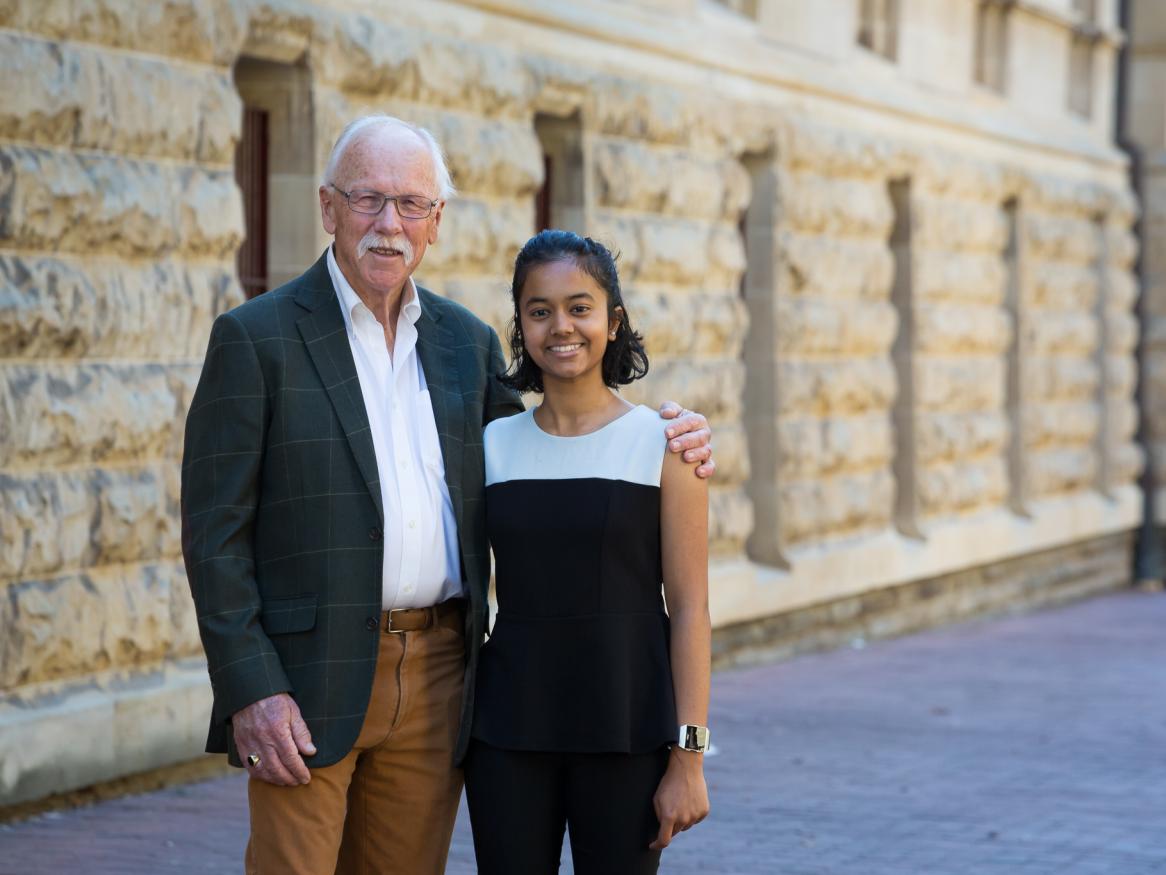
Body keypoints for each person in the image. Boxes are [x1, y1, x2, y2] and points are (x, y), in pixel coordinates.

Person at [180, 115, 716, 875]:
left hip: (440, 680)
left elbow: (555, 447)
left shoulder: (466, 345)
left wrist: (678, 431)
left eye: (409, 203)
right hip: (307, 679)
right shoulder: (256, 338)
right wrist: (250, 689)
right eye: (368, 200)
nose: (388, 224)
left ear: (436, 222)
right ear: (328, 207)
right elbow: (214, 536)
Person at [464, 230, 712, 875]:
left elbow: (689, 610)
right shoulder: (491, 445)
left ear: (613, 320)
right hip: (509, 731)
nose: (561, 327)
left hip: (626, 727)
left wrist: (689, 757)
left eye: (580, 307)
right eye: (539, 311)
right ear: (520, 325)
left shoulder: (666, 443)